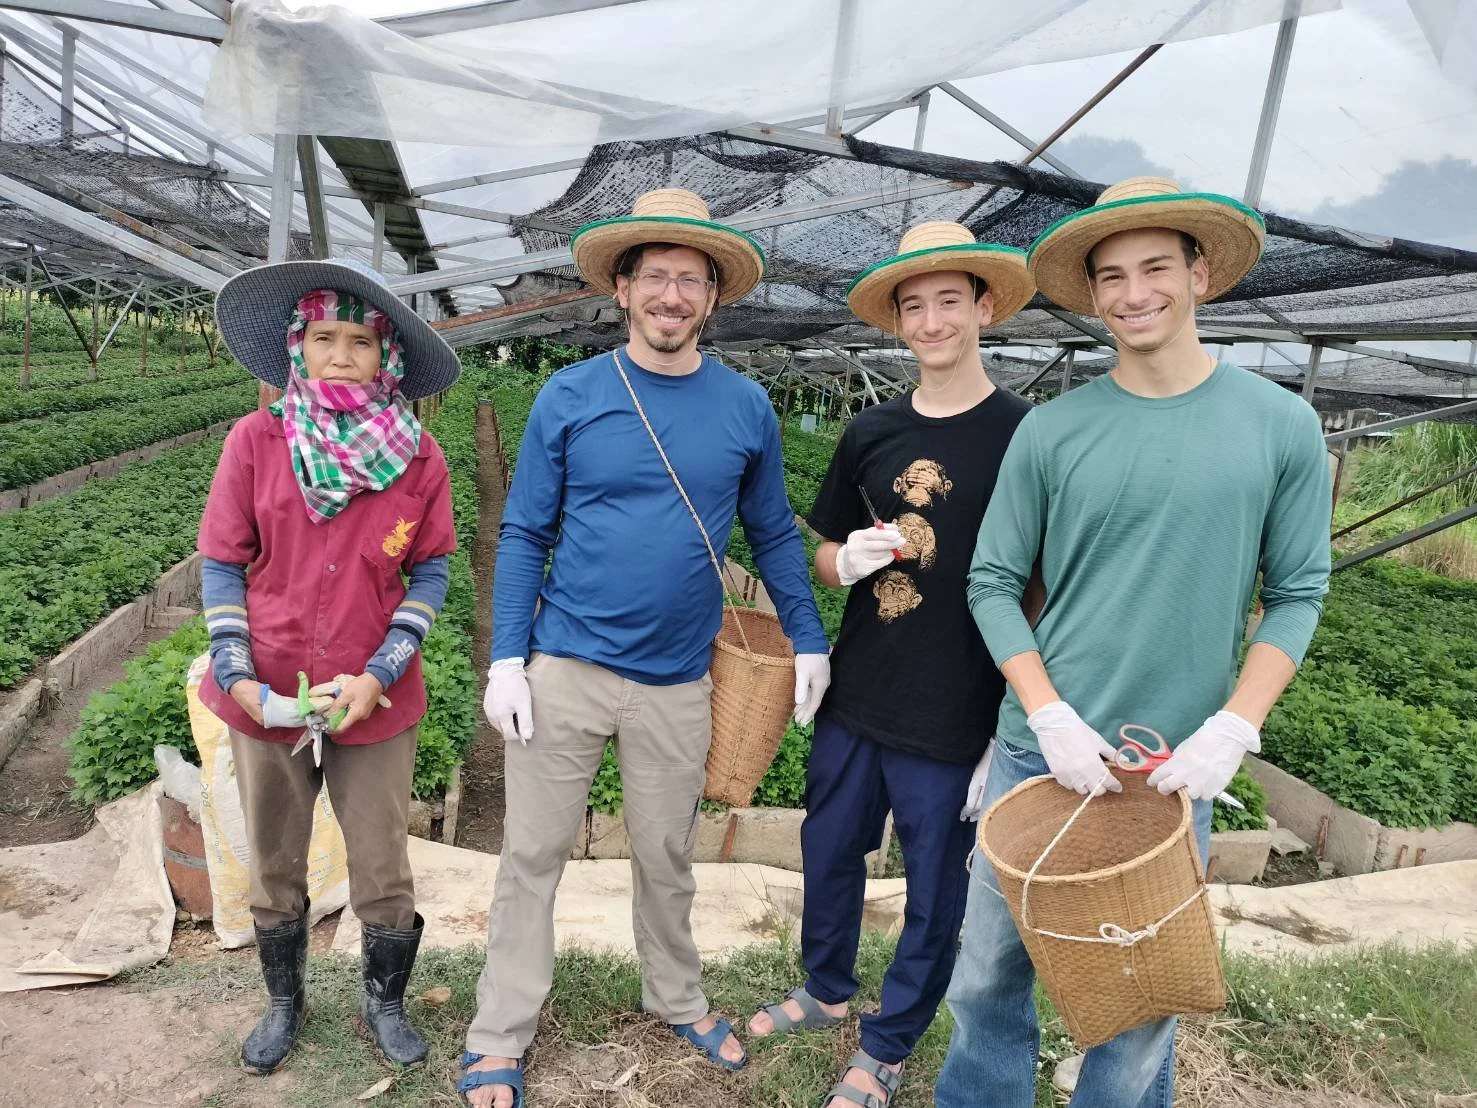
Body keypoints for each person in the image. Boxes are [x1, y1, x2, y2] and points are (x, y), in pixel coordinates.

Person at [935, 177, 1333, 1107]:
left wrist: (1231, 728)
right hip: (1043, 757)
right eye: (1109, 276)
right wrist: (1047, 711)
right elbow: (991, 582)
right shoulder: (1055, 431)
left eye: (1155, 266)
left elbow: (1298, 592)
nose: (1132, 292)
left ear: (1200, 275)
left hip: (1170, 769)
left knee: (1139, 994)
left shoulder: (1278, 425)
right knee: (990, 969)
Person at [459, 188, 832, 1108]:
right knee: (532, 856)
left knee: (665, 856)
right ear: (622, 289)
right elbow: (525, 534)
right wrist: (509, 657)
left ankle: (676, 995)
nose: (673, 295)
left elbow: (775, 534)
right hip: (569, 668)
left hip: (676, 679)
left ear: (712, 298)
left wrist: (812, 639)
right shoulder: (573, 394)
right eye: (655, 277)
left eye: (691, 281)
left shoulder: (744, 407)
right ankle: (500, 1030)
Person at [745, 223, 1039, 1108]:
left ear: (983, 307)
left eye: (948, 300)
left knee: (933, 885)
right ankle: (826, 988)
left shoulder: (1024, 435)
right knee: (826, 847)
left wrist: (1011, 719)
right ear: (897, 323)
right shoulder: (871, 429)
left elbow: (1035, 586)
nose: (931, 320)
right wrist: (853, 560)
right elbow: (827, 554)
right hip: (859, 684)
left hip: (955, 707)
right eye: (913, 306)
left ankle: (891, 1040)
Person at [198, 256, 462, 1075]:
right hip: (266, 682)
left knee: (381, 857)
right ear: (297, 348)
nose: (341, 354)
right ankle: (284, 1002)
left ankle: (383, 1003)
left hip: (373, 694)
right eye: (323, 337)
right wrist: (239, 674)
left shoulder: (419, 458)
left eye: (360, 340)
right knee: (273, 855)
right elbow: (220, 561)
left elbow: (433, 571)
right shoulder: (258, 439)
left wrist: (378, 673)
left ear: (386, 355)